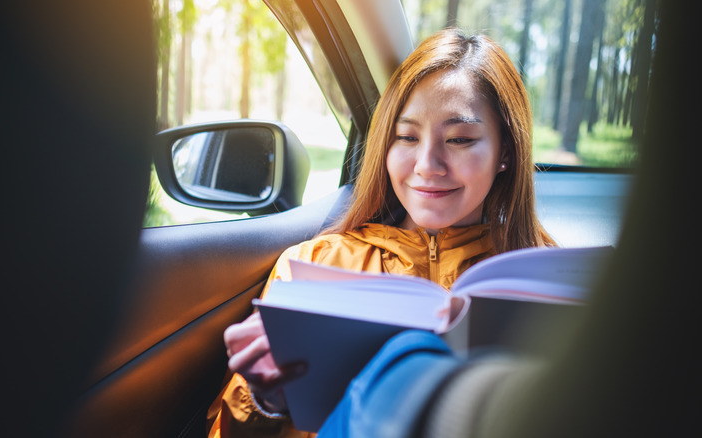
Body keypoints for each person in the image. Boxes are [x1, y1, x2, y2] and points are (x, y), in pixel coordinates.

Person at [206, 27, 555, 438]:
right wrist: (265, 401)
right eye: (406, 136)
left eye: (460, 139)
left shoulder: (547, 282)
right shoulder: (312, 266)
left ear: (506, 153)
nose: (428, 164)